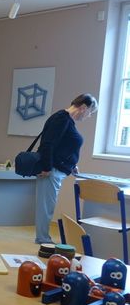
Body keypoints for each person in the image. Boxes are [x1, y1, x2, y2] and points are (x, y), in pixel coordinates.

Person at [35, 93, 98, 244]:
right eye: (91, 112)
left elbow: (62, 147)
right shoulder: (61, 118)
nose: (89, 116)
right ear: (84, 107)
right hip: (51, 172)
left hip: (56, 171)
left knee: (48, 206)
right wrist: (46, 167)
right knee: (46, 207)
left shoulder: (67, 120)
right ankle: (43, 239)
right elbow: (47, 144)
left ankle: (43, 238)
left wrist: (71, 165)